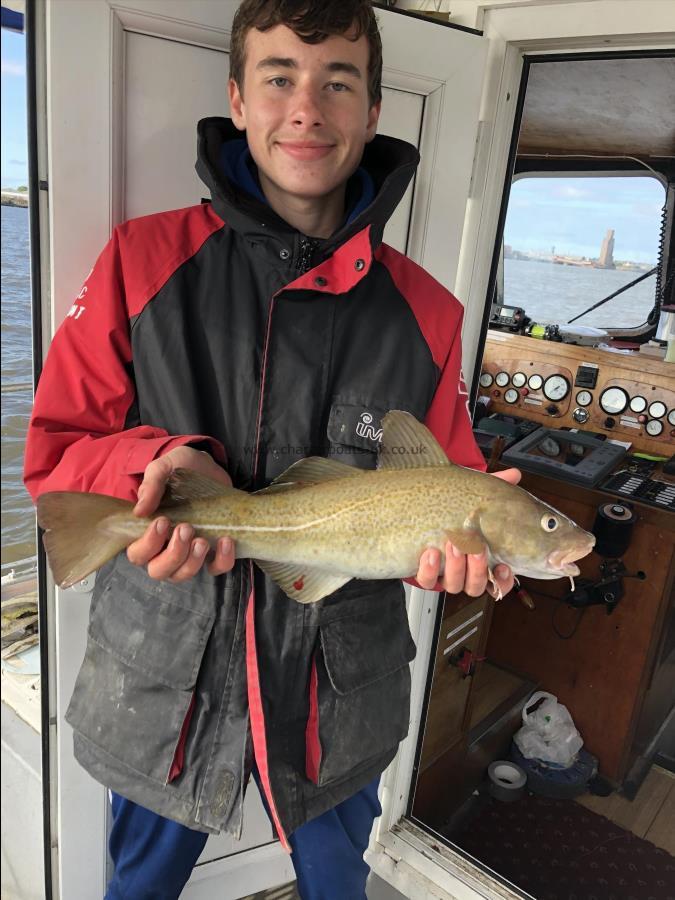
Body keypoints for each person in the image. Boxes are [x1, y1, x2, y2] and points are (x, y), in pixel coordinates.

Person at [24, 1, 519, 897]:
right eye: (280, 77)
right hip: (165, 677)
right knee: (137, 888)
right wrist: (152, 469)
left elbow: (442, 495)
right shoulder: (142, 259)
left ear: (372, 111)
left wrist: (456, 557)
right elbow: (61, 446)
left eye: (338, 82)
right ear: (237, 98)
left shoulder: (430, 313)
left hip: (337, 693)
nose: (307, 108)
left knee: (339, 886)